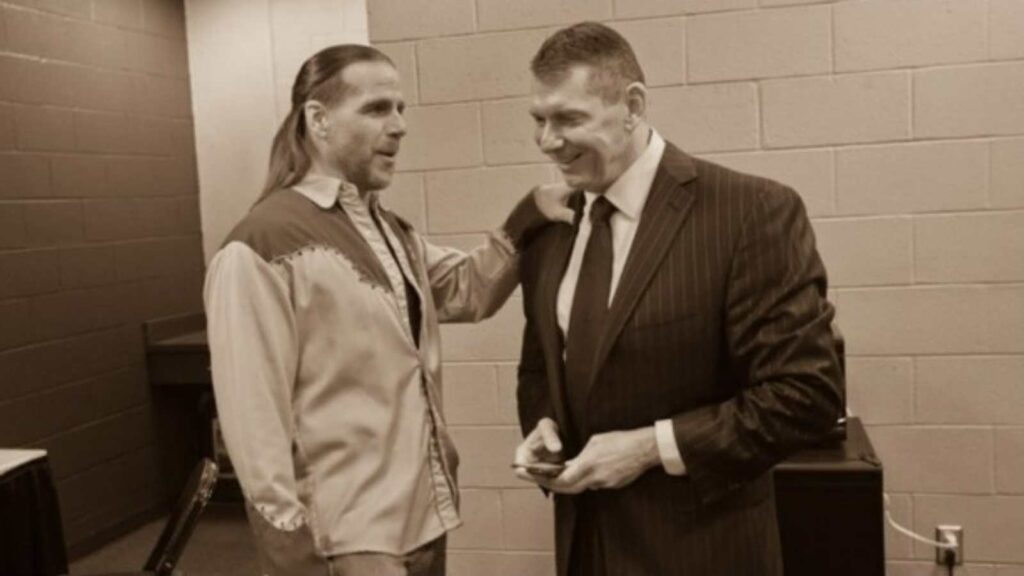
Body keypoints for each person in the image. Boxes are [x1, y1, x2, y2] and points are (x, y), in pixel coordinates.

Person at [204, 44, 570, 576]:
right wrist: (295, 560)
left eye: (400, 109)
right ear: (318, 120)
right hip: (346, 542)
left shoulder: (387, 230)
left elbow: (467, 289)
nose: (398, 126)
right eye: (377, 109)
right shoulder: (259, 247)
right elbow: (254, 430)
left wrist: (531, 214)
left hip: (423, 522)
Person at [512, 22, 844, 576]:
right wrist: (543, 427)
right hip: (583, 549)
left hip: (702, 552)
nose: (548, 141)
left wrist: (648, 447)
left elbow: (805, 394)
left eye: (569, 119)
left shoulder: (748, 211)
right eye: (538, 120)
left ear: (633, 105)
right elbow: (538, 369)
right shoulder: (550, 230)